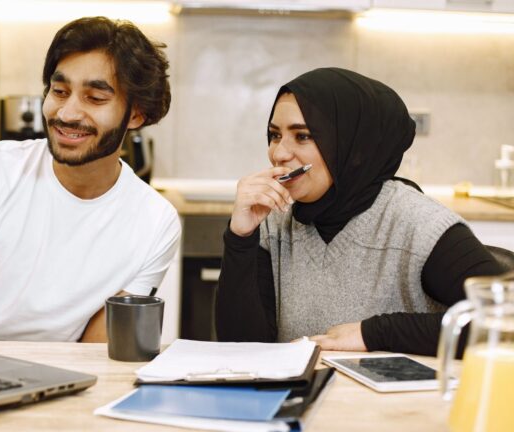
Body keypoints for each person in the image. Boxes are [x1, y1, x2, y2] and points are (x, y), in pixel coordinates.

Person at [0, 17, 180, 342]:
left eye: (95, 98)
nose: (67, 113)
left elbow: (95, 357)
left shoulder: (156, 222)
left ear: (136, 114)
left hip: (60, 380)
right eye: (59, 92)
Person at [215, 67, 503, 356]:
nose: (278, 153)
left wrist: (375, 333)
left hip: (403, 401)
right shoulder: (272, 220)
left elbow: (503, 319)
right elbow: (241, 349)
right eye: (275, 135)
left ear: (352, 147)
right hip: (301, 399)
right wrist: (241, 237)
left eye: (302, 136)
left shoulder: (418, 224)